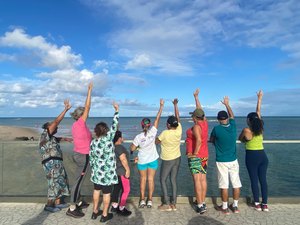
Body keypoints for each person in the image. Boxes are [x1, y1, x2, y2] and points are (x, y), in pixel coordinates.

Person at [210, 96, 242, 215]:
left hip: (222, 160)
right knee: (236, 183)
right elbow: (232, 116)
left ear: (218, 119)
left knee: (224, 185)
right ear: (227, 118)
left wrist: (216, 142)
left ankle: (224, 207)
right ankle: (235, 206)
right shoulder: (233, 126)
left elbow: (212, 139)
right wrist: (227, 104)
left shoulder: (216, 129)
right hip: (233, 160)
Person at [39, 99, 72, 213]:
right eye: (53, 127)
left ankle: (58, 202)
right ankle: (49, 205)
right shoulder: (45, 134)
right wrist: (66, 109)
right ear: (48, 128)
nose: (56, 128)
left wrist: (66, 138)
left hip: (57, 163)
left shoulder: (51, 137)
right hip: (51, 163)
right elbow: (56, 122)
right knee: (53, 182)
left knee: (60, 181)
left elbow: (57, 138)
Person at [130, 99, 164, 208]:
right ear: (149, 125)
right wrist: (161, 106)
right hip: (153, 160)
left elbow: (132, 148)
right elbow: (157, 119)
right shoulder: (153, 132)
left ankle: (142, 200)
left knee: (143, 180)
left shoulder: (138, 137)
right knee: (151, 180)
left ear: (141, 125)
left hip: (142, 161)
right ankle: (150, 200)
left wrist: (136, 147)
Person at [238, 90, 269, 212]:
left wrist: (244, 140)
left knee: (254, 180)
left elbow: (240, 139)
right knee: (263, 180)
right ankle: (265, 204)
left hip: (252, 156)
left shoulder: (247, 130)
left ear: (249, 120)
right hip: (263, 155)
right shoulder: (260, 128)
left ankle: (256, 203)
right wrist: (259, 99)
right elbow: (258, 112)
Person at [89, 102, 119, 223]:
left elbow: (91, 159)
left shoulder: (93, 142)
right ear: (106, 131)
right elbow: (115, 124)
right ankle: (105, 215)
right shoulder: (108, 139)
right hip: (107, 174)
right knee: (107, 194)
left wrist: (95, 169)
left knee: (96, 191)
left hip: (97, 173)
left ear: (96, 131)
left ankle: (95, 211)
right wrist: (116, 110)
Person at [66, 82, 93, 218]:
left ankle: (80, 201)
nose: (87, 114)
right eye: (85, 114)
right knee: (78, 181)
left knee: (79, 179)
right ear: (82, 115)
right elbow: (88, 106)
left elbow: (85, 139)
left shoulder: (76, 125)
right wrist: (89, 91)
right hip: (83, 156)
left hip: (78, 154)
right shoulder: (81, 123)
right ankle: (72, 207)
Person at [155, 98, 182, 211]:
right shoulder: (179, 130)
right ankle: (174, 203)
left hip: (167, 160)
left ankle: (166, 204)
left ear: (168, 125)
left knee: (162, 180)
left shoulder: (165, 133)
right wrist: (175, 105)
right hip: (177, 158)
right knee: (173, 180)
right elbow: (178, 117)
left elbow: (156, 141)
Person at [185, 88, 209, 214]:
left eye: (193, 116)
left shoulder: (196, 126)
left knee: (196, 180)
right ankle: (203, 201)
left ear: (195, 117)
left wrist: (194, 153)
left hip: (196, 156)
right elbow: (201, 111)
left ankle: (200, 205)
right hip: (205, 155)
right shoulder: (205, 123)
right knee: (203, 179)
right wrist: (196, 98)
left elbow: (198, 140)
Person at [110, 130, 132, 217]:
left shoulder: (112, 147)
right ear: (119, 138)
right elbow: (123, 159)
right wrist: (128, 170)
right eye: (121, 137)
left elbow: (118, 160)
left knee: (116, 189)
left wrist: (132, 161)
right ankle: (121, 208)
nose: (123, 138)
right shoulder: (119, 147)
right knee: (126, 190)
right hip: (122, 172)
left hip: (116, 172)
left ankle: (114, 206)